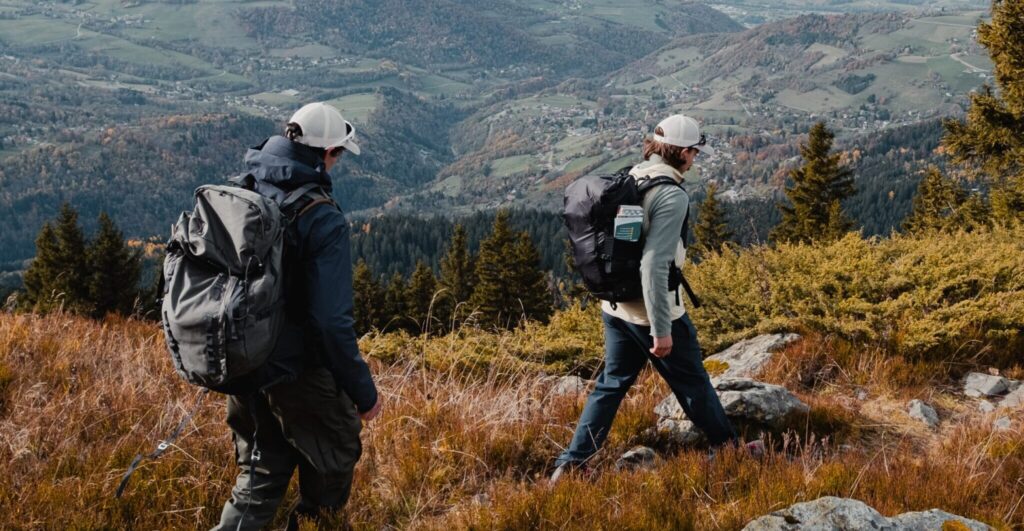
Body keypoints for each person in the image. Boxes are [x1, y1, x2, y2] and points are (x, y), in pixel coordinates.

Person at [552, 114, 760, 482]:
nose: (695, 159)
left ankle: (573, 464)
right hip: (654, 313)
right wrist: (662, 330)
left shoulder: (633, 175)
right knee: (693, 383)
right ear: (680, 152)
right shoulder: (670, 195)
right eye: (694, 152)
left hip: (616, 309)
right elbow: (653, 266)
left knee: (610, 386)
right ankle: (729, 450)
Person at [213, 102, 382, 530]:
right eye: (338, 153)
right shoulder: (320, 217)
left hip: (245, 361)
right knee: (332, 462)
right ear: (324, 152)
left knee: (261, 470)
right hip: (297, 370)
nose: (338, 162)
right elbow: (330, 323)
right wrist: (364, 393)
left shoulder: (243, 189)